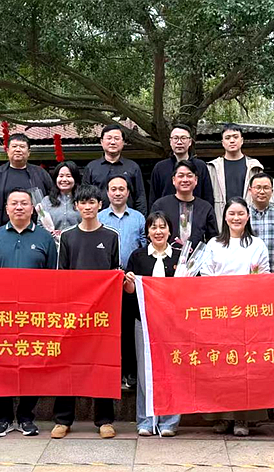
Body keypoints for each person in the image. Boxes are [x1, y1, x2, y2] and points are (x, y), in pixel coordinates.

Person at [0, 188, 58, 437]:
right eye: (14, 203)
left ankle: (26, 417)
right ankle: (3, 417)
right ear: (6, 208)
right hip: (1, 314)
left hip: (34, 314)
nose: (19, 207)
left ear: (32, 208)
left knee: (31, 364)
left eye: (24, 203)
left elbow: (53, 278)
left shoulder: (45, 238)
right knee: (0, 365)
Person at [53, 184, 120, 439]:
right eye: (83, 202)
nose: (88, 207)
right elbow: (62, 276)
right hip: (73, 312)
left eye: (92, 202)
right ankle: (63, 419)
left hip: (102, 314)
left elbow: (115, 272)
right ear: (76, 206)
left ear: (100, 205)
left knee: (101, 364)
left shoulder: (111, 236)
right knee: (68, 364)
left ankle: (104, 420)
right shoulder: (68, 237)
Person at [200, 196, 270, 436]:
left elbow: (264, 276)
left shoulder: (257, 244)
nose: (236, 218)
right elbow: (206, 275)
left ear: (247, 217)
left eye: (241, 213)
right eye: (232, 213)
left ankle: (243, 419)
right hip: (220, 314)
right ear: (225, 217)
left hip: (247, 314)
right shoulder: (214, 244)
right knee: (221, 366)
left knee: (245, 368)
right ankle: (221, 417)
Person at [123, 211, 183, 437]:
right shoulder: (138, 256)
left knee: (172, 370)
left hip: (172, 324)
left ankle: (169, 421)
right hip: (144, 322)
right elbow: (129, 293)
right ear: (147, 232)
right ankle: (146, 420)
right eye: (153, 227)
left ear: (170, 230)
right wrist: (128, 284)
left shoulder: (180, 257)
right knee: (144, 371)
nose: (158, 231)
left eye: (162, 227)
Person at [97, 175, 146, 390]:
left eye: (122, 189)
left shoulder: (138, 218)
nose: (117, 193)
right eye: (113, 189)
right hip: (105, 282)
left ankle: (130, 372)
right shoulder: (99, 217)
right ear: (107, 192)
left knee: (129, 327)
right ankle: (110, 371)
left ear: (128, 192)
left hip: (131, 281)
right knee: (107, 329)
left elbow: (144, 247)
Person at [0, 133, 53, 237]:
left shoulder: (40, 174)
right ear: (7, 151)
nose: (18, 150)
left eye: (22, 147)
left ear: (29, 152)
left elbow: (53, 199)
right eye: (14, 146)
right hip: (1, 232)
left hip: (35, 233)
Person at [207, 123, 264, 230]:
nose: (232, 141)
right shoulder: (212, 167)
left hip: (249, 222)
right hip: (220, 222)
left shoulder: (254, 167)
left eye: (235, 137)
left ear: (242, 140)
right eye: (228, 138)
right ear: (222, 143)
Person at [151, 160, 219, 248]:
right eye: (181, 176)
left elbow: (213, 239)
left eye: (189, 176)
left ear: (196, 180)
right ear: (173, 180)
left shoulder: (206, 208)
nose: (185, 180)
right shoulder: (160, 205)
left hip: (197, 256)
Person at [83, 124, 148, 215]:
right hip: (98, 219)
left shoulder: (133, 167)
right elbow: (85, 197)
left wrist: (141, 219)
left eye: (116, 138)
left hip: (127, 218)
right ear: (102, 141)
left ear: (123, 142)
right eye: (109, 138)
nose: (113, 142)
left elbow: (140, 197)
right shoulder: (91, 167)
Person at [149, 124, 214, 206]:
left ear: (190, 142)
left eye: (183, 138)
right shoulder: (160, 167)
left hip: (196, 212)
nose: (179, 142)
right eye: (175, 138)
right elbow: (153, 198)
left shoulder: (200, 166)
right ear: (170, 141)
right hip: (166, 212)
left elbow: (208, 196)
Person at [248, 173, 274, 273]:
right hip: (248, 274)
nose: (262, 191)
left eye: (266, 188)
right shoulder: (243, 214)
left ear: (272, 191)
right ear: (250, 190)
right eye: (258, 187)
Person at [41, 161, 83, 238]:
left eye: (68, 176)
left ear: (75, 178)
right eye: (61, 176)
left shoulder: (82, 200)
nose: (64, 179)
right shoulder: (46, 201)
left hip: (77, 241)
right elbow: (40, 223)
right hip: (53, 242)